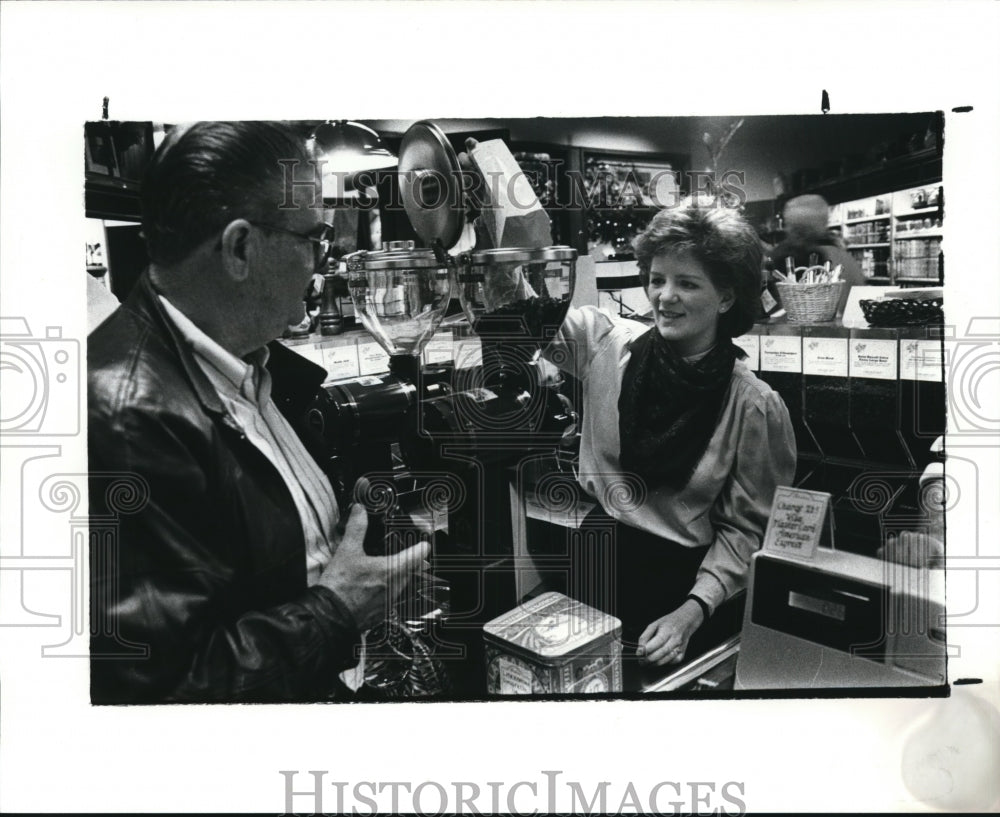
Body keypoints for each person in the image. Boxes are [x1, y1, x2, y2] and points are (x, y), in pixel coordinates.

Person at [88, 121, 429, 703]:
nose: (321, 265)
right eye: (313, 239)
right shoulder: (126, 417)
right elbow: (162, 689)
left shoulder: (248, 368)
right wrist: (339, 610)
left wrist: (340, 521)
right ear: (241, 248)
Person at [544, 204, 797, 668]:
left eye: (687, 283)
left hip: (682, 589)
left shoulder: (754, 405)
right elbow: (527, 314)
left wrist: (691, 611)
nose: (664, 297)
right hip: (595, 557)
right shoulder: (606, 344)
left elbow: (749, 531)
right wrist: (491, 202)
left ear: (725, 298)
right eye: (657, 279)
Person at [766, 194, 866, 318]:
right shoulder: (844, 258)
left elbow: (770, 308)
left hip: (789, 332)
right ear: (824, 223)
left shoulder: (783, 257)